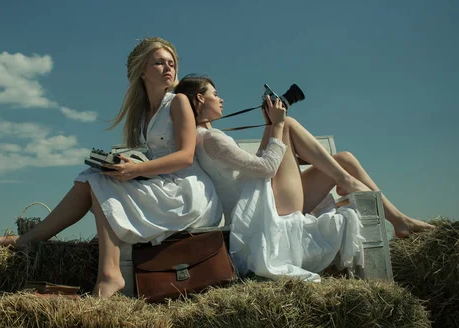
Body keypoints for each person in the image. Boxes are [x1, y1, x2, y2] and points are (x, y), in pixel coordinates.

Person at [0, 39, 222, 298]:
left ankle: (106, 273)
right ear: (142, 71)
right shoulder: (144, 113)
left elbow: (186, 157)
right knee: (92, 176)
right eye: (159, 62)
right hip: (164, 183)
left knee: (101, 182)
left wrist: (135, 171)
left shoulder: (177, 102)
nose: (168, 67)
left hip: (186, 192)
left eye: (172, 63)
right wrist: (130, 165)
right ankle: (32, 242)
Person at [174, 74, 434, 281]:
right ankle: (350, 184)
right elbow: (265, 168)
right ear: (199, 98)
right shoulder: (210, 138)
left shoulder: (206, 138)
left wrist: (270, 125)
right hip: (262, 214)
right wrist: (276, 124)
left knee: (344, 158)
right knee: (288, 124)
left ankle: (399, 220)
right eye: (215, 94)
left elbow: (259, 165)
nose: (221, 99)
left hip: (264, 202)